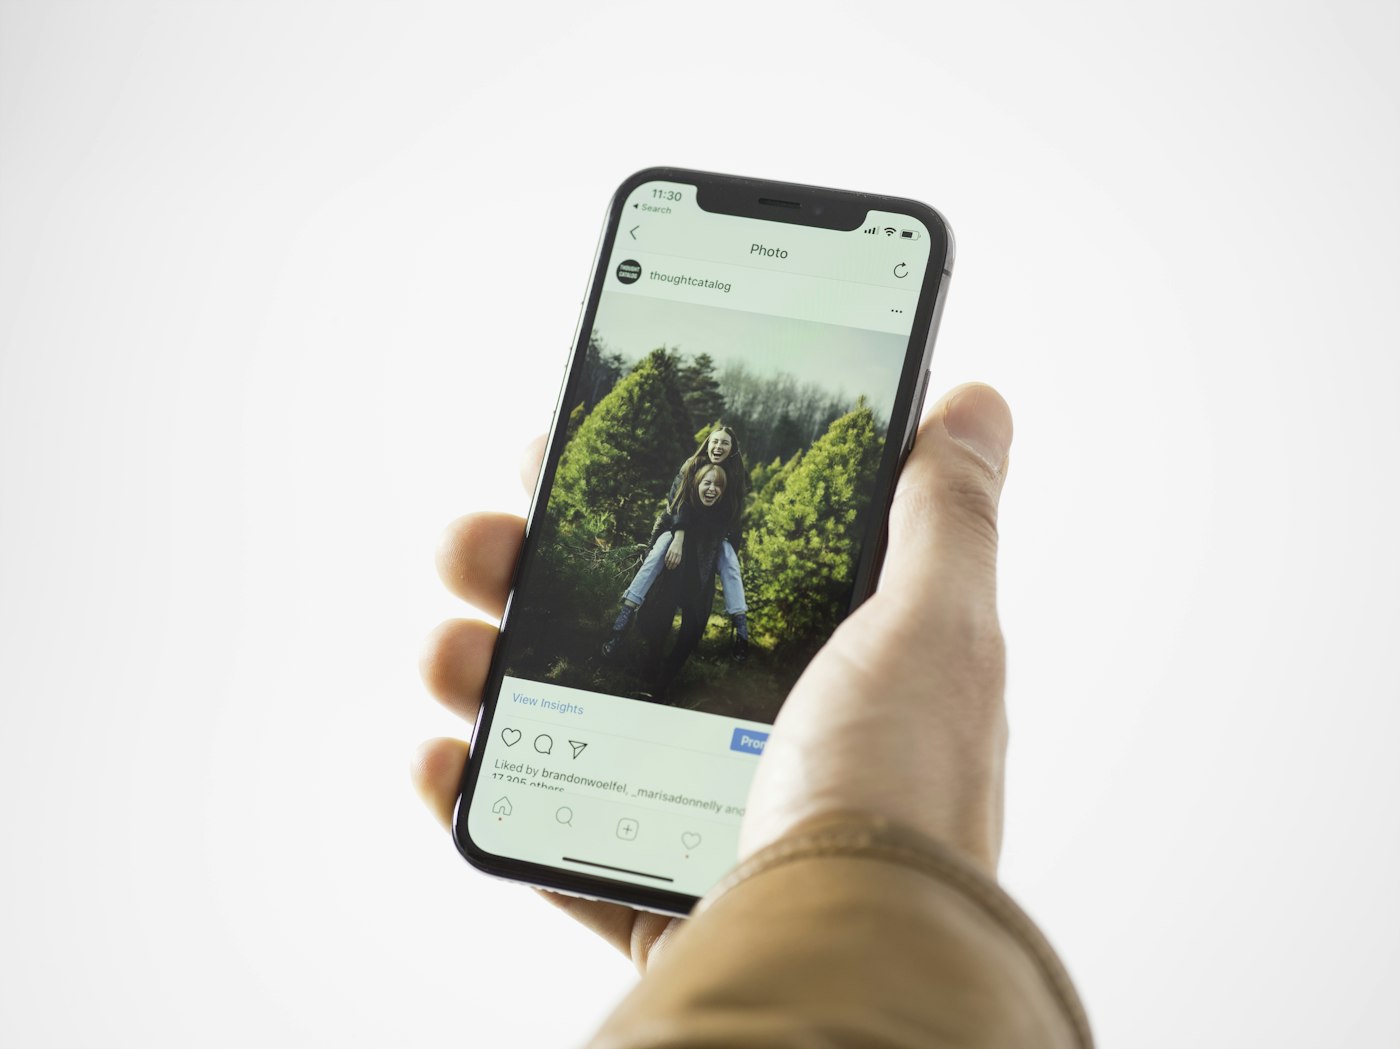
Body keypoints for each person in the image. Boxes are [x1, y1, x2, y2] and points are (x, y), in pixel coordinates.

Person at [416, 383, 1093, 1048]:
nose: (714, 467)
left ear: (730, 469)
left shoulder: (727, 507)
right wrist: (659, 555)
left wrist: (736, 616)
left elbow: (731, 561)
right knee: (646, 617)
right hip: (674, 563)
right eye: (709, 454)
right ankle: (628, 649)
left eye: (723, 460)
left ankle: (657, 673)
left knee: (685, 633)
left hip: (702, 585)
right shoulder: (684, 493)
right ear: (700, 458)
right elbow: (660, 543)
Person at [603, 426, 751, 661]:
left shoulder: (736, 476)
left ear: (732, 449)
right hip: (676, 525)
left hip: (710, 533)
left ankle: (741, 631)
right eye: (715, 441)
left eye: (725, 443)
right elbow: (677, 502)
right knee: (658, 552)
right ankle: (623, 619)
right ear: (708, 443)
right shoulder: (691, 465)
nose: (718, 446)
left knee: (730, 561)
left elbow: (732, 514)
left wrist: (722, 543)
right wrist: (680, 535)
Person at [634, 461, 736, 697]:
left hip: (700, 580)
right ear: (697, 484)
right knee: (658, 622)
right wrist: (676, 540)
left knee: (691, 632)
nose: (712, 489)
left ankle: (664, 683)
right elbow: (661, 534)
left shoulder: (724, 517)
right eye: (707, 483)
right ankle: (649, 670)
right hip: (674, 574)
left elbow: (729, 551)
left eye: (718, 486)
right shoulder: (683, 508)